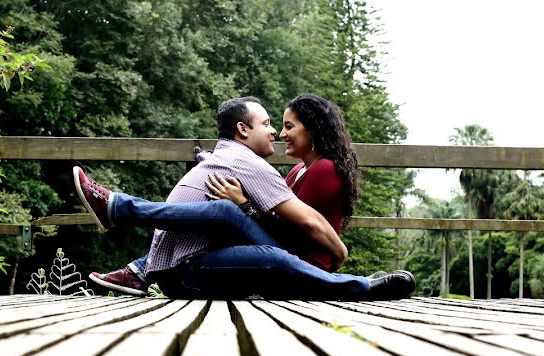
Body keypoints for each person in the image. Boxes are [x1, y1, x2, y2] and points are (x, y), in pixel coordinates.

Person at [72, 96, 415, 300]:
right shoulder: (286, 171)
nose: (277, 133)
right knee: (224, 213)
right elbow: (279, 222)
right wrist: (215, 171)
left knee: (228, 215)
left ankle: (121, 216)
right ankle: (131, 244)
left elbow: (305, 225)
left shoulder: (309, 168)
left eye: (284, 126)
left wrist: (339, 249)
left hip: (302, 267)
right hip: (227, 267)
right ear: (242, 130)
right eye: (269, 124)